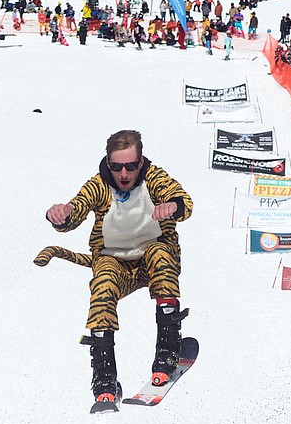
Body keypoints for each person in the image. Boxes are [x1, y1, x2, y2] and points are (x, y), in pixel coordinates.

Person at [42, 130, 193, 403]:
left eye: (131, 166)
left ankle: (168, 349)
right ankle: (104, 376)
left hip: (151, 259)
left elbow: (184, 201)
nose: (124, 174)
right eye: (117, 167)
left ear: (141, 162)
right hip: (116, 264)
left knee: (161, 254)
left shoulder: (154, 179)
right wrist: (60, 215)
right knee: (103, 283)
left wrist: (173, 206)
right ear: (108, 164)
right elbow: (76, 209)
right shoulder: (100, 185)